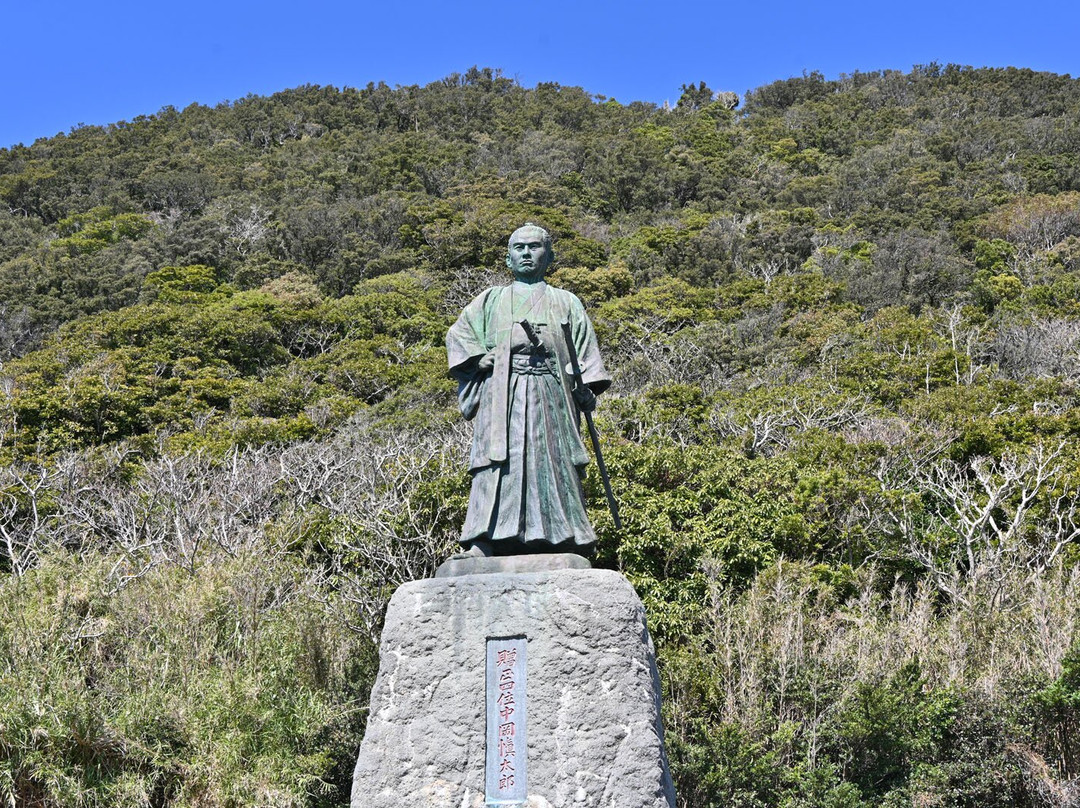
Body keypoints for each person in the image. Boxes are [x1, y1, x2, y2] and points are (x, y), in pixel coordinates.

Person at [446, 224, 611, 557]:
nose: (525, 253)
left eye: (534, 247)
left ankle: (565, 538)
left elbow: (585, 359)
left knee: (555, 461)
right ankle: (483, 538)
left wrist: (587, 390)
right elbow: (458, 336)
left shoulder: (566, 302)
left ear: (548, 255)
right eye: (518, 248)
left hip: (553, 397)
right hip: (502, 396)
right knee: (496, 464)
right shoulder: (491, 300)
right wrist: (482, 358)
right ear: (508, 258)